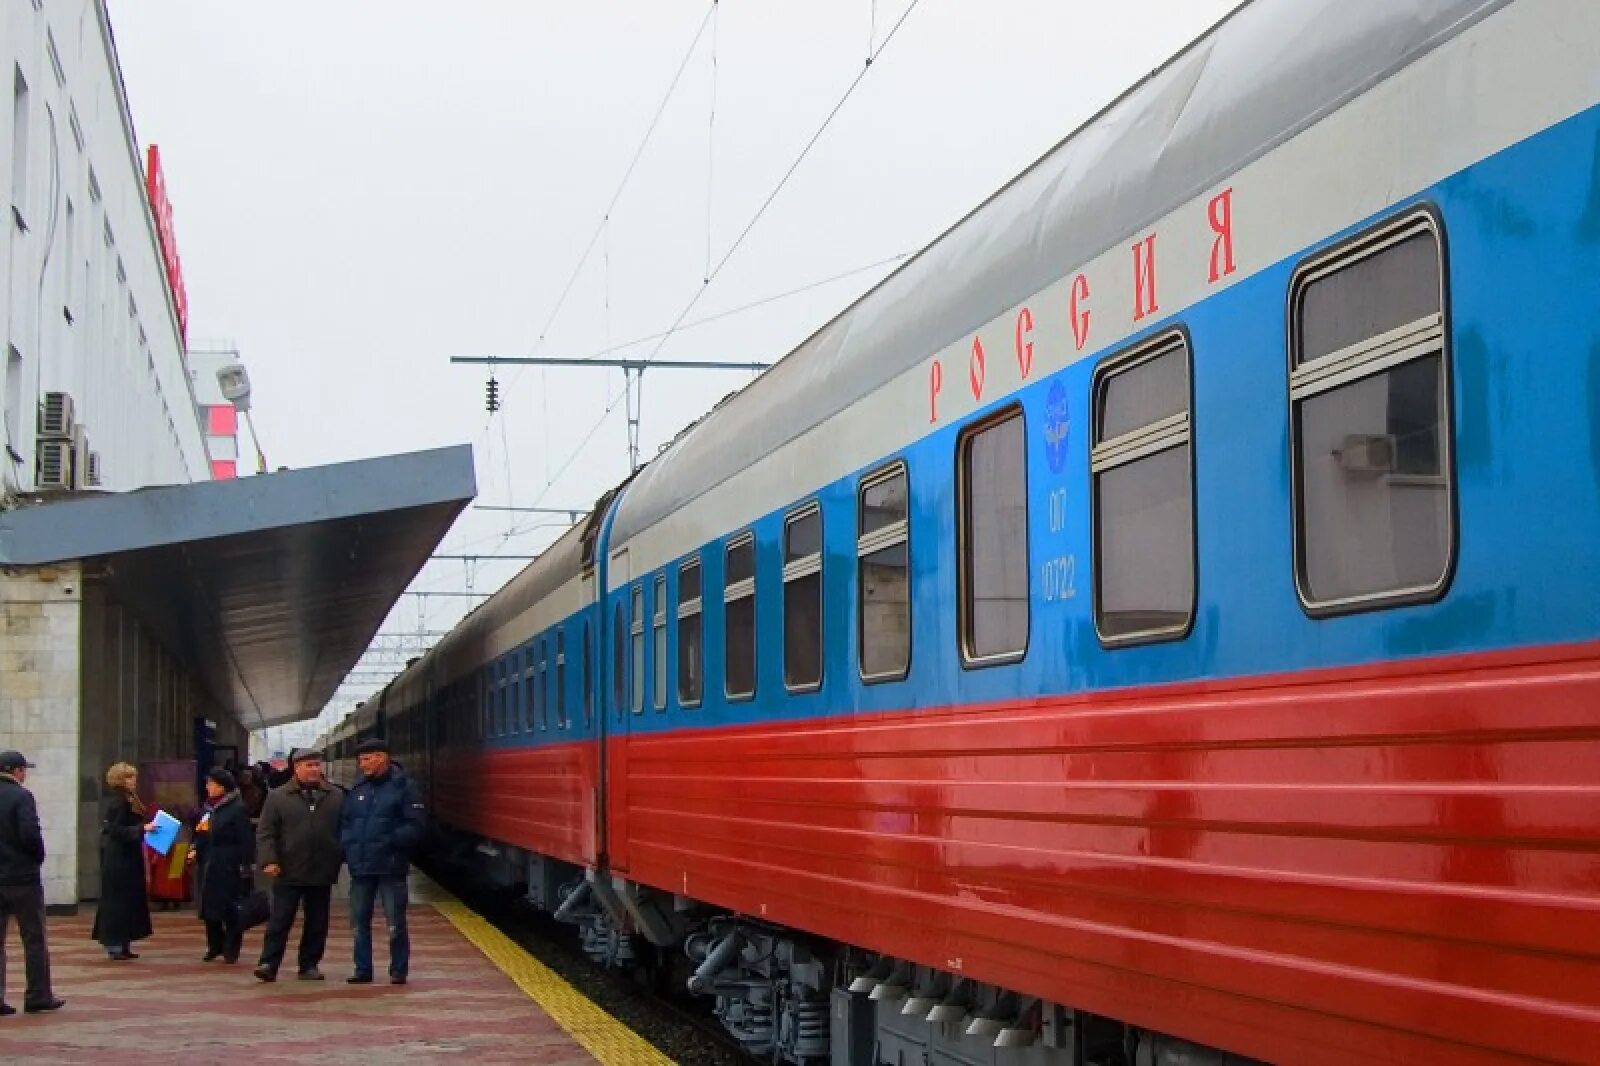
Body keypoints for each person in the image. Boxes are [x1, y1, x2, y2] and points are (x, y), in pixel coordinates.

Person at [340, 738, 426, 985]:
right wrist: (348, 846)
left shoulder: (405, 788)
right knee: (358, 923)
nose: (362, 765)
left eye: (366, 759)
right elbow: (346, 823)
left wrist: (390, 842)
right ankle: (362, 970)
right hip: (361, 867)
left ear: (382, 758)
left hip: (391, 866)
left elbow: (416, 825)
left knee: (395, 923)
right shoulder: (358, 791)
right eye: (360, 760)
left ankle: (398, 970)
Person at [253, 748, 343, 983]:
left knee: (317, 921)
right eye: (308, 766)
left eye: (316, 765)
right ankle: (268, 963)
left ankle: (309, 964)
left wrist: (340, 855)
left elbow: (345, 829)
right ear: (296, 768)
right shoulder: (278, 797)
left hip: (322, 868)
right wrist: (269, 860)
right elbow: (266, 832)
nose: (314, 770)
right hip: (288, 868)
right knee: (280, 919)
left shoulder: (335, 796)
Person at [0, 751, 63, 1015]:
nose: (25, 775)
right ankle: (38, 994)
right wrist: (37, 858)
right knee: (34, 938)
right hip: (22, 879)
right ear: (16, 771)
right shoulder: (22, 797)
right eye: (24, 770)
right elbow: (30, 834)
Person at [187, 769, 253, 963]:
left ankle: (231, 947)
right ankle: (214, 945)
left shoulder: (237, 808)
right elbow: (201, 833)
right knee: (208, 906)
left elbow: (245, 839)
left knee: (230, 907)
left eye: (211, 784)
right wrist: (194, 849)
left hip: (228, 862)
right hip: (208, 861)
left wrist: (245, 864)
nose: (207, 788)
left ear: (221, 787)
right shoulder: (207, 808)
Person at [92, 763, 155, 961]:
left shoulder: (129, 799)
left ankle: (124, 942)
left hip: (128, 855)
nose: (134, 781)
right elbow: (115, 830)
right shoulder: (119, 802)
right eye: (129, 777)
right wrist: (142, 829)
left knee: (128, 900)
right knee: (118, 901)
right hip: (120, 858)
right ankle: (115, 943)